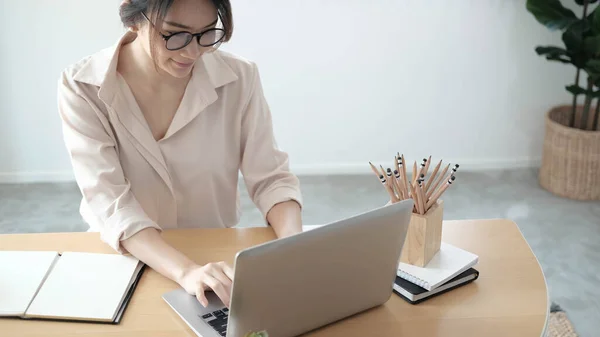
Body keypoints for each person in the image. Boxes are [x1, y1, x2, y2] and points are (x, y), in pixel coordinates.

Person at [56, 0, 303, 309]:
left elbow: (270, 178)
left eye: (206, 33)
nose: (192, 52)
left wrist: (296, 245)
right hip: (129, 256)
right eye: (175, 34)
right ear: (134, 18)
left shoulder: (240, 77)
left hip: (215, 257)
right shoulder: (83, 86)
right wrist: (186, 271)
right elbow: (111, 203)